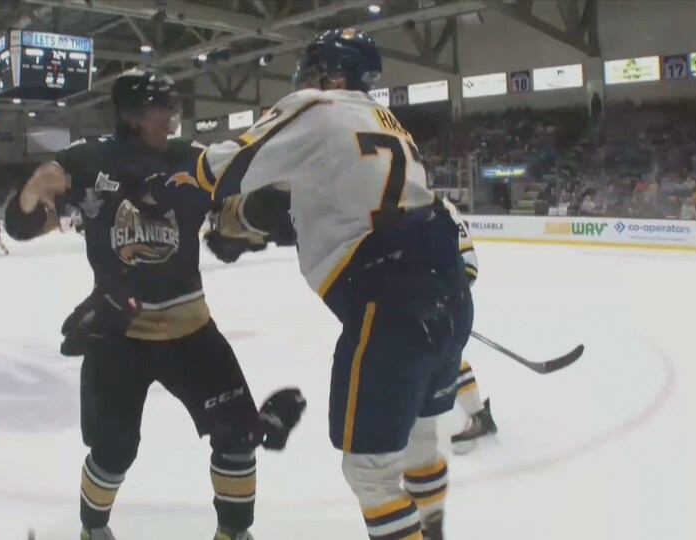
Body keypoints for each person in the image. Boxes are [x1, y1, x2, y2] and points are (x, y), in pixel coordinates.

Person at [192, 29, 473, 540]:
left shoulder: (317, 105)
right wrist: (260, 227)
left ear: (335, 74)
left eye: (315, 65)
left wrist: (166, 172)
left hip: (389, 303)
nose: (305, 76)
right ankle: (433, 530)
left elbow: (219, 168)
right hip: (447, 289)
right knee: (420, 440)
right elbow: (337, 205)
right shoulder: (388, 122)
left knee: (368, 470)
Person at [2, 69, 306, 540]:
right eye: (163, 110)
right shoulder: (90, 160)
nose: (172, 119)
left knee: (238, 439)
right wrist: (31, 194)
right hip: (118, 333)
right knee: (112, 451)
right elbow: (26, 219)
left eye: (172, 109)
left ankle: (234, 534)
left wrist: (271, 204)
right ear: (133, 115)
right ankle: (92, 530)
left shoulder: (194, 159)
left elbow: (230, 223)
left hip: (191, 329)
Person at [445, 201, 498, 455]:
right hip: (454, 282)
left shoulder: (422, 204)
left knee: (444, 356)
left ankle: (478, 415)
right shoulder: (439, 203)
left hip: (449, 286)